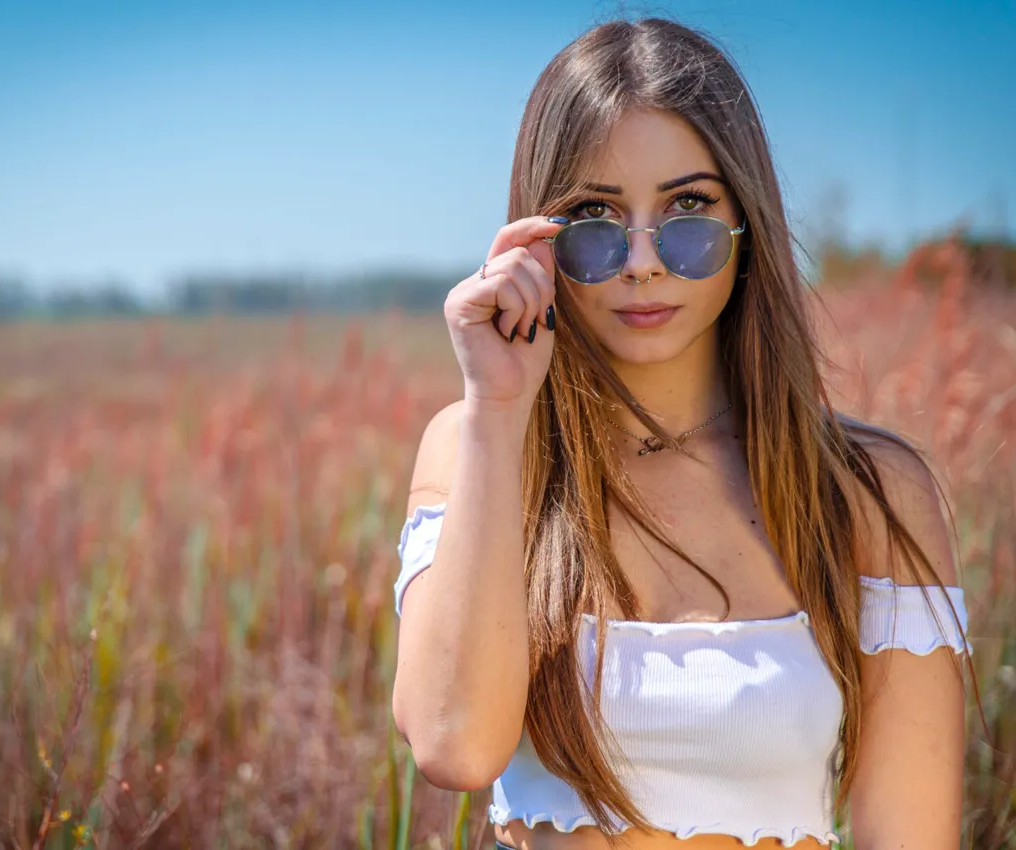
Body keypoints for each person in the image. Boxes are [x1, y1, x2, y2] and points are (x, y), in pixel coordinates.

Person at [390, 16, 981, 850]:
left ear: (748, 224)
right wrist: (497, 410)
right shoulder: (476, 446)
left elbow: (909, 836)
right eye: (594, 215)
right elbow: (453, 742)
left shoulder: (865, 490)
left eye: (689, 209)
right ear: (536, 238)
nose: (641, 259)